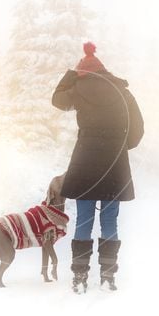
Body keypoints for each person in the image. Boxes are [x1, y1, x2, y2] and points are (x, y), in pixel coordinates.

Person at [51, 41, 144, 293]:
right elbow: (137, 131)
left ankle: (79, 276)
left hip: (85, 161)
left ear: (82, 71)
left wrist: (70, 75)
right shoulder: (123, 92)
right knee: (110, 219)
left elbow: (57, 100)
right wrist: (121, 146)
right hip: (114, 162)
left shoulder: (79, 87)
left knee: (84, 219)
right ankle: (107, 276)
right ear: (103, 69)